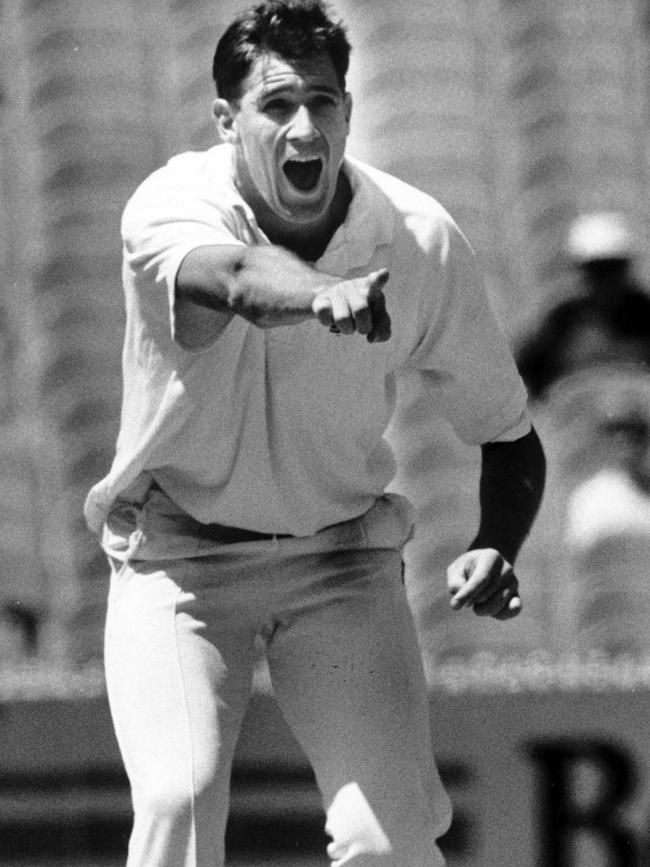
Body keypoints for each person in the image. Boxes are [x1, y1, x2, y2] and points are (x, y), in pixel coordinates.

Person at [84, 2, 546, 865]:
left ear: (349, 110)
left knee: (392, 842)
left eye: (325, 103)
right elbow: (237, 279)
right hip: (179, 557)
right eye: (277, 105)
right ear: (226, 121)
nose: (306, 128)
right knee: (177, 807)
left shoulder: (420, 239)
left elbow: (510, 433)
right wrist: (317, 293)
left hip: (339, 561)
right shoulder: (171, 204)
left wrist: (499, 542)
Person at [516, 211, 650, 400]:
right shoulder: (563, 320)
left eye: (613, 269)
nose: (606, 279)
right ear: (583, 272)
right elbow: (524, 375)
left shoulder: (644, 312)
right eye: (597, 271)